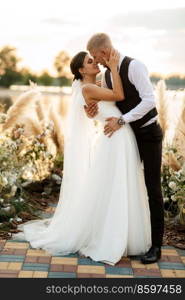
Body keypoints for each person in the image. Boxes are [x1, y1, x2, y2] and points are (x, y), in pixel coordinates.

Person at [12, 49, 151, 266]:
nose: (95, 63)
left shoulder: (98, 85)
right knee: (114, 186)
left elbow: (109, 100)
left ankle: (123, 235)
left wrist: (95, 110)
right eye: (90, 61)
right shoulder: (87, 88)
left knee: (119, 186)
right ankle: (110, 237)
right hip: (113, 139)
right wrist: (114, 67)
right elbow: (118, 96)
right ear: (81, 69)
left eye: (94, 60)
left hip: (118, 137)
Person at [85, 33, 164, 264]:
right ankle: (131, 240)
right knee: (127, 186)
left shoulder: (135, 66)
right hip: (127, 139)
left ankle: (156, 246)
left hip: (148, 135)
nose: (95, 61)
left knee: (152, 187)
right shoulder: (109, 75)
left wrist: (122, 121)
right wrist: (90, 110)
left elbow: (149, 100)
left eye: (95, 56)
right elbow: (109, 101)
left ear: (104, 50)